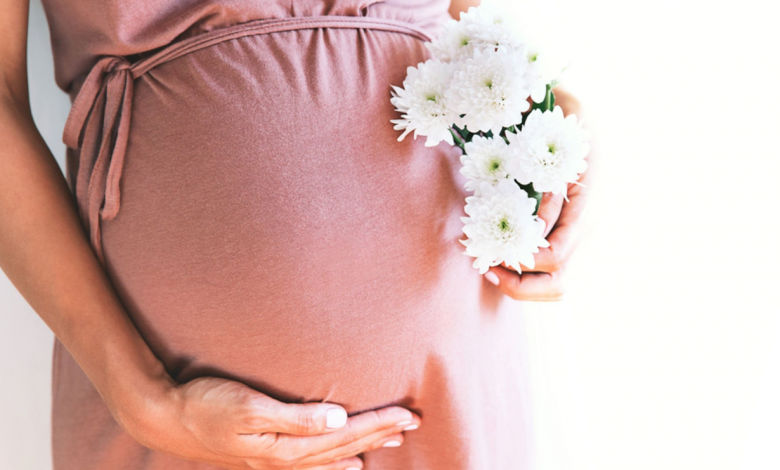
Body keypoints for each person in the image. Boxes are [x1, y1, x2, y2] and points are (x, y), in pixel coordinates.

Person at [0, 0, 595, 468]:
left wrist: (556, 123)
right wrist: (144, 399)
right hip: (172, 403)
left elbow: (466, 25)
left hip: (453, 373)